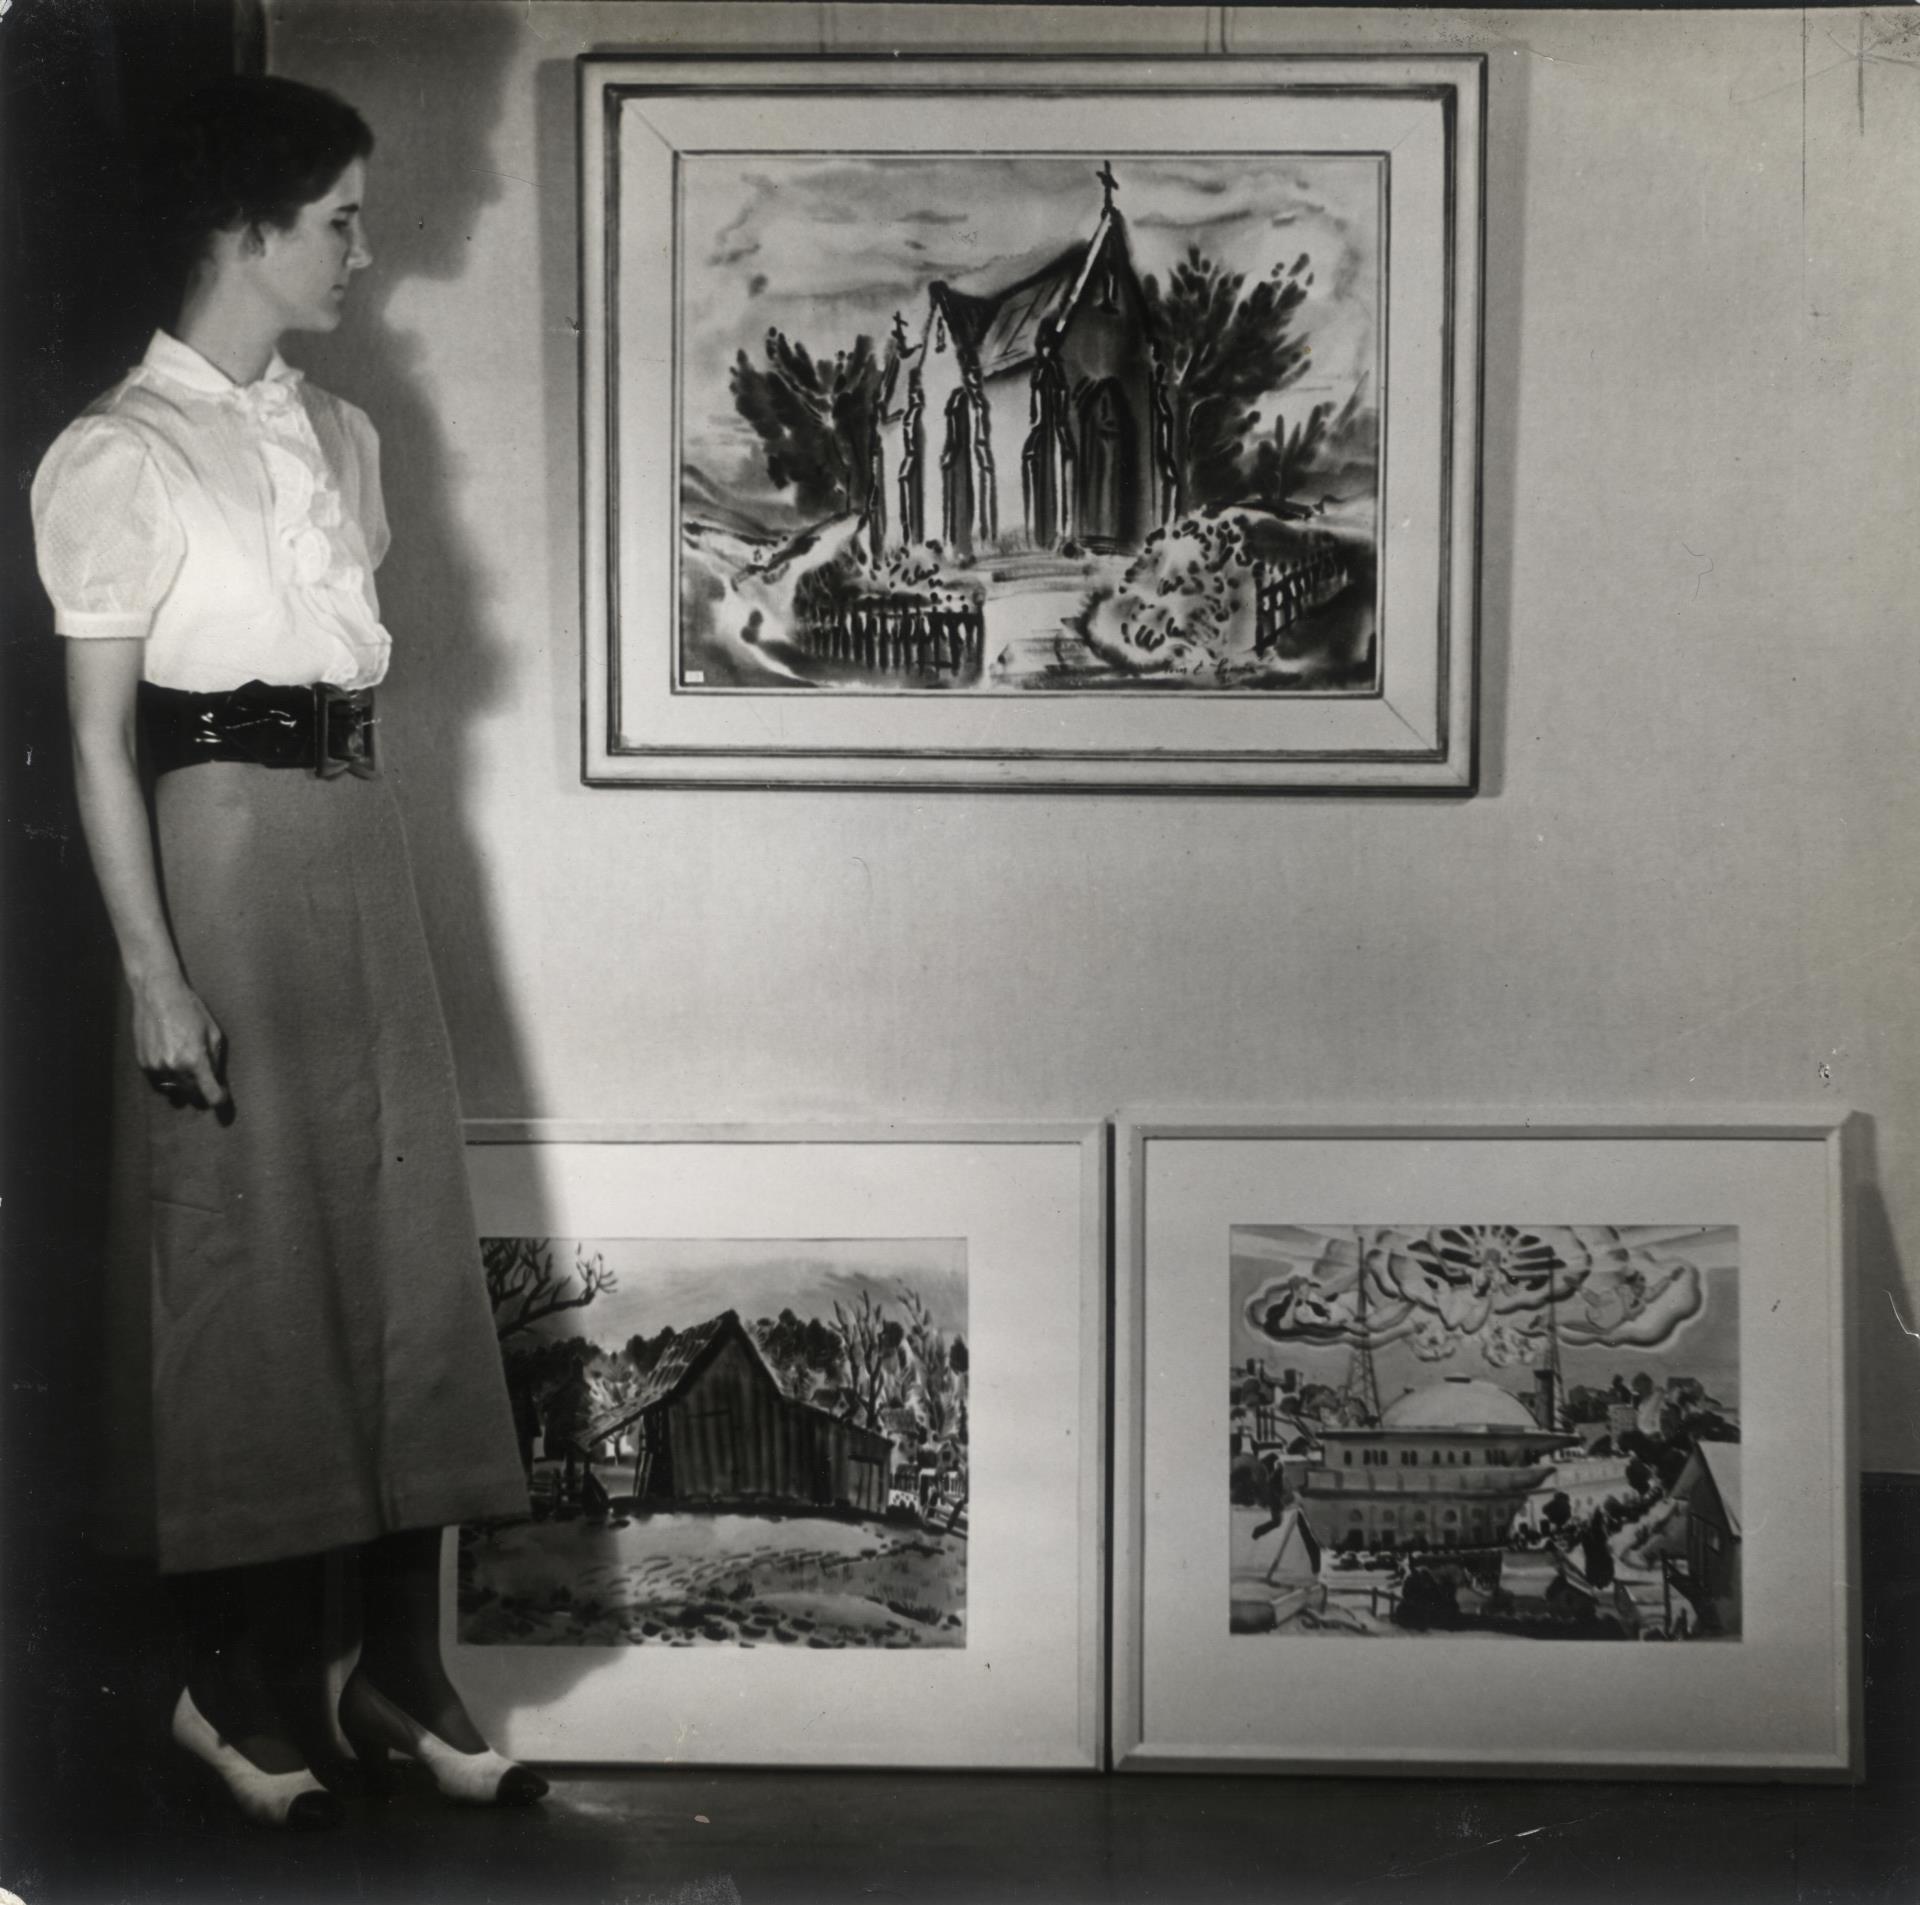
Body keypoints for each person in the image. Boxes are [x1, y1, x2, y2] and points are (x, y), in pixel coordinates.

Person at [31, 77, 544, 1829]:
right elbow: (102, 744)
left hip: (363, 846)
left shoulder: (341, 438)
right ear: (245, 228)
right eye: (336, 216)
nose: (361, 247)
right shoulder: (118, 454)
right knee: (242, 1275)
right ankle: (229, 1684)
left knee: (400, 1255)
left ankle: (396, 1676)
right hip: (220, 863)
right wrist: (156, 974)